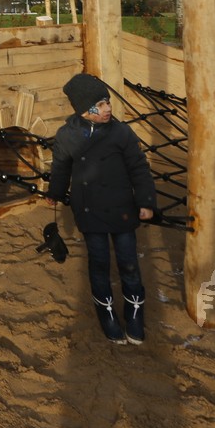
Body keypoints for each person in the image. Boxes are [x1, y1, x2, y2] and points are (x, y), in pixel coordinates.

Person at [46, 73, 158, 345]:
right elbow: (61, 168)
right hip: (90, 209)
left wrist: (146, 202)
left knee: (128, 262)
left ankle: (134, 310)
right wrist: (55, 193)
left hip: (121, 209)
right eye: (101, 104)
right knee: (99, 262)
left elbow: (139, 168)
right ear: (85, 109)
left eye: (108, 102)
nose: (108, 108)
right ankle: (106, 311)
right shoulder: (67, 135)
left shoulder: (121, 132)